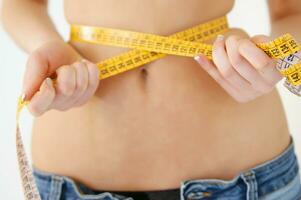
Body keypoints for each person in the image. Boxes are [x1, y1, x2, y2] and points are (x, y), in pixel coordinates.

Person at [2, 0, 301, 199]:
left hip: (248, 180)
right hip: (71, 183)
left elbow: (292, 11)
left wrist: (277, 57)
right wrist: (45, 44)